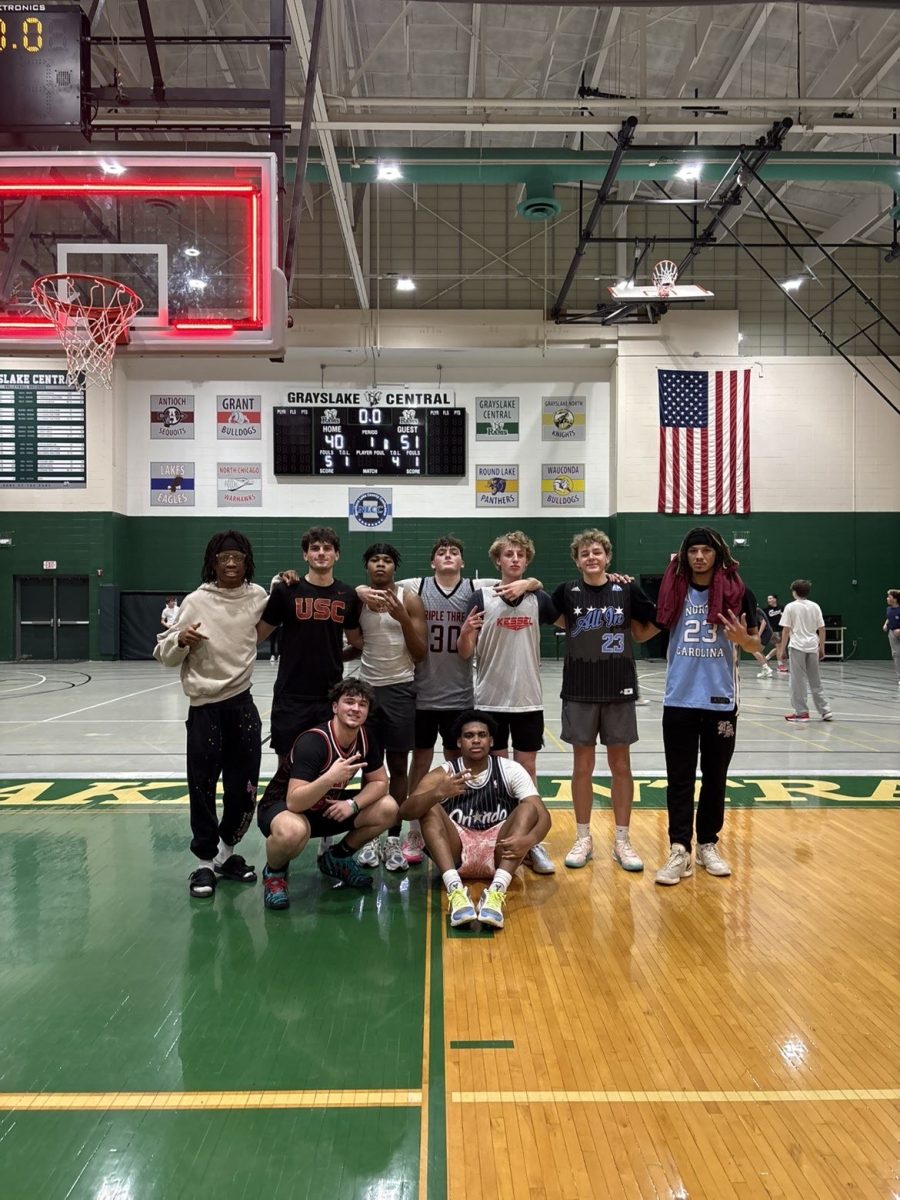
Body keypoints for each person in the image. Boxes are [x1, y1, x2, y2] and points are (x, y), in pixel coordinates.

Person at [388, 535, 543, 866]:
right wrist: (360, 590)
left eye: (454, 552)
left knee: (456, 765)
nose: (447, 555)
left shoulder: (477, 586)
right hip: (423, 690)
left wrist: (530, 580)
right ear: (432, 562)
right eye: (441, 552)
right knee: (420, 761)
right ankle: (414, 829)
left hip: (460, 695)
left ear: (462, 562)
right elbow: (384, 581)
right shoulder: (417, 587)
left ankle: (458, 823)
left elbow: (523, 580)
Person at [154, 531, 268, 899]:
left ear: (247, 561)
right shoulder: (196, 600)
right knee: (202, 786)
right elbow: (163, 651)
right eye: (224, 558)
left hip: (242, 705)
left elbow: (282, 611)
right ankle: (204, 864)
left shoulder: (258, 597)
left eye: (238, 557)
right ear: (213, 563)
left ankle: (227, 854)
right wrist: (180, 640)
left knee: (244, 788)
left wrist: (289, 581)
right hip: (205, 708)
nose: (231, 563)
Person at [653, 527, 762, 886]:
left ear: (718, 555)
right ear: (684, 555)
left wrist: (745, 641)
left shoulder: (739, 592)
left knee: (715, 778)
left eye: (706, 551)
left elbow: (757, 646)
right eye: (693, 551)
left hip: (720, 701)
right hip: (680, 698)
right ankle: (679, 847)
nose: (699, 557)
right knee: (679, 779)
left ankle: (708, 844)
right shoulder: (673, 590)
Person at [550, 529, 658, 872]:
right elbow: (548, 612)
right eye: (584, 554)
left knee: (621, 766)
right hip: (580, 688)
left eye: (597, 552)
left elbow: (645, 629)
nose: (591, 558)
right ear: (576, 560)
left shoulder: (627, 589)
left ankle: (622, 840)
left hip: (618, 688)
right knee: (582, 767)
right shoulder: (566, 592)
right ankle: (583, 837)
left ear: (607, 557)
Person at [458, 530, 558, 874]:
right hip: (491, 700)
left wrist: (533, 583)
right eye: (508, 555)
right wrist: (467, 633)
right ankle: (499, 836)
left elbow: (563, 615)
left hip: (528, 699)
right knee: (496, 776)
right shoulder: (480, 597)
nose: (514, 559)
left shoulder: (539, 598)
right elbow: (464, 652)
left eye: (520, 555)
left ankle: (531, 841)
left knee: (527, 774)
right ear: (497, 561)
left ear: (526, 562)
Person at [400, 711, 551, 930]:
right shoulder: (445, 773)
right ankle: (455, 891)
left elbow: (543, 815)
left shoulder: (510, 770)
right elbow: (405, 811)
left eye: (482, 735)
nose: (476, 740)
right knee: (427, 805)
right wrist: (437, 793)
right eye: (469, 735)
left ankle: (497, 890)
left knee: (528, 808)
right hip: (455, 852)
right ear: (459, 742)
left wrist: (530, 841)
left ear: (491, 741)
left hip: (499, 852)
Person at [256, 678, 398, 908]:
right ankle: (274, 874)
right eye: (349, 702)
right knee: (293, 831)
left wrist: (352, 804)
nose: (355, 708)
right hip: (282, 808)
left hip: (324, 806)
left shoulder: (365, 737)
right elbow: (294, 801)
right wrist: (330, 777)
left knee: (388, 807)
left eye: (362, 704)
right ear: (335, 706)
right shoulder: (314, 741)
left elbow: (380, 782)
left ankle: (337, 857)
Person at [256, 527, 363, 764]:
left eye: (327, 548)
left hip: (330, 694)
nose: (321, 553)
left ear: (337, 555)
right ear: (305, 555)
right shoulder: (286, 590)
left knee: (325, 762)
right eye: (315, 548)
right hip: (291, 693)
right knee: (287, 764)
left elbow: (359, 641)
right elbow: (256, 636)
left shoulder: (347, 594)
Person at [350, 543, 427, 872]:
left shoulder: (408, 598)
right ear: (366, 566)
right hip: (367, 690)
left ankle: (393, 837)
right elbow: (355, 640)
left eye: (387, 560)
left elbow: (420, 651)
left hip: (399, 688)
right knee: (368, 766)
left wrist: (401, 619)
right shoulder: (359, 599)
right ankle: (370, 835)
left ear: (395, 567)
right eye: (374, 560)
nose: (380, 565)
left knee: (397, 766)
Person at [779, 580, 833, 723]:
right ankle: (825, 710)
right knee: (816, 680)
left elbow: (785, 630)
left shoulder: (790, 607)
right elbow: (821, 629)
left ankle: (801, 712)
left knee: (797, 681)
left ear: (794, 592)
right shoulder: (815, 606)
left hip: (797, 646)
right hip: (812, 646)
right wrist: (822, 647)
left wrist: (782, 649)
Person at [765, 594, 787, 672]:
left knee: (779, 648)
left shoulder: (782, 608)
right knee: (779, 648)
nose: (769, 600)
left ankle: (766, 658)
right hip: (773, 631)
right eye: (768, 599)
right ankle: (780, 665)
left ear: (775, 599)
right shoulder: (766, 610)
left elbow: (786, 618)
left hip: (782, 630)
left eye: (770, 598)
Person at [885, 589, 900, 686]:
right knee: (896, 655)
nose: (887, 598)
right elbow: (889, 617)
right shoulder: (888, 609)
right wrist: (886, 624)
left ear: (895, 599)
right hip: (892, 634)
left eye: (889, 597)